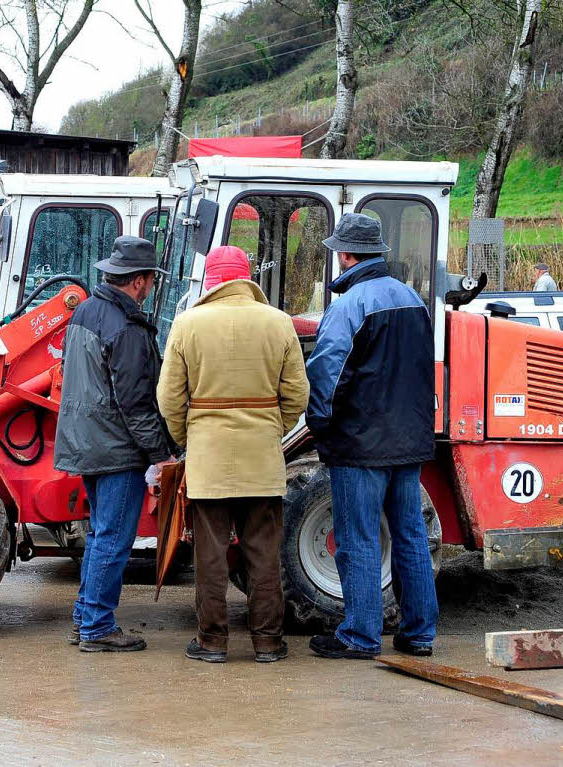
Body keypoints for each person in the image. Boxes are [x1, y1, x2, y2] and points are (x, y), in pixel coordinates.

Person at [156, 245, 309, 664]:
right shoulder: (278, 323)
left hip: (209, 460)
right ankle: (268, 642)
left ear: (210, 284)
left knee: (209, 555)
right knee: (263, 552)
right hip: (262, 458)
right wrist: (272, 428)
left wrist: (188, 438)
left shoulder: (187, 325)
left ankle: (212, 642)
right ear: (246, 279)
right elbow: (298, 394)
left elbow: (169, 399)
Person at [305, 213, 439, 660]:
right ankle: (419, 634)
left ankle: (360, 636)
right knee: (410, 535)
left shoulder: (348, 306)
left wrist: (319, 427)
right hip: (409, 441)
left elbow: (327, 374)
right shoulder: (413, 301)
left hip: (361, 446)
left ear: (345, 255)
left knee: (358, 538)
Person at [53, 235, 174, 653]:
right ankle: (97, 628)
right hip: (117, 449)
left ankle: (85, 619)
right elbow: (136, 402)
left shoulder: (86, 311)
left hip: (87, 443)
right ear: (139, 281)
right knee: (113, 540)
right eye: (151, 280)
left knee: (100, 535)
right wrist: (161, 455)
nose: (152, 287)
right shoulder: (126, 327)